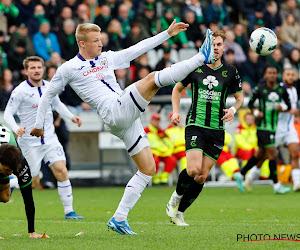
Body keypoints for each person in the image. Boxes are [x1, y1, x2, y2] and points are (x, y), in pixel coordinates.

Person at [30, 21, 217, 234]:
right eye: (95, 41)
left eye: (100, 39)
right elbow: (47, 94)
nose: (100, 44)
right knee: (152, 79)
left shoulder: (106, 58)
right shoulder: (68, 68)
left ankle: (119, 218)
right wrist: (38, 125)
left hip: (124, 119)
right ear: (82, 44)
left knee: (148, 170)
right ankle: (202, 57)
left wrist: (167, 34)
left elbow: (137, 49)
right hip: (114, 110)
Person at [166, 30, 244, 226]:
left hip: (217, 129)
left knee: (201, 176)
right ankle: (175, 197)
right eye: (213, 44)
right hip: (195, 124)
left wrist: (233, 109)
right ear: (206, 46)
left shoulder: (231, 71)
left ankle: (179, 213)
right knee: (193, 170)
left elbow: (240, 98)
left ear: (224, 47)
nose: (216, 48)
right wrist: (176, 111)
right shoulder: (196, 68)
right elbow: (177, 89)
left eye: (219, 44)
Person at [4, 56, 84, 219]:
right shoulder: (20, 91)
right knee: (33, 182)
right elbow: (7, 113)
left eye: (39, 67)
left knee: (61, 170)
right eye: (32, 68)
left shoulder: (50, 87)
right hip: (29, 143)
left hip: (50, 140)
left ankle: (69, 211)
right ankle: (9, 180)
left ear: (43, 69)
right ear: (26, 71)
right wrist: (16, 128)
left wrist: (71, 117)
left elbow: (57, 105)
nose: (36, 70)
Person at [233, 66, 292, 194]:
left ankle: (241, 174)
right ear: (265, 75)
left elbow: (288, 104)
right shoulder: (260, 88)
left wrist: (282, 107)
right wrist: (256, 113)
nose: (272, 75)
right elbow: (250, 104)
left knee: (260, 154)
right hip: (262, 127)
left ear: (277, 75)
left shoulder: (282, 89)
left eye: (274, 73)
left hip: (273, 127)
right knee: (273, 154)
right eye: (269, 73)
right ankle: (276, 185)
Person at [0, 123, 49, 238]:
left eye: (12, 171)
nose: (10, 173)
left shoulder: (21, 165)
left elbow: (28, 199)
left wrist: (31, 231)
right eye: (7, 170)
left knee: (4, 198)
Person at [275, 68, 300, 191]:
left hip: (290, 127)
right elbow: (276, 106)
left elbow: (294, 108)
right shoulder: (278, 89)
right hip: (277, 126)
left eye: (292, 75)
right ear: (283, 76)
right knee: (265, 154)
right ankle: (250, 174)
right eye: (288, 74)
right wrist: (289, 110)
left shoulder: (294, 90)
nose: (290, 77)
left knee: (295, 153)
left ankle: (297, 183)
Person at [144, 113, 177, 185]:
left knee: (172, 159)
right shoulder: (146, 131)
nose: (157, 122)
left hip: (163, 153)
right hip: (152, 153)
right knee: (155, 161)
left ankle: (164, 178)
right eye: (155, 120)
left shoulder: (162, 132)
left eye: (158, 120)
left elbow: (170, 143)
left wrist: (169, 151)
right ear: (151, 121)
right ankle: (155, 179)